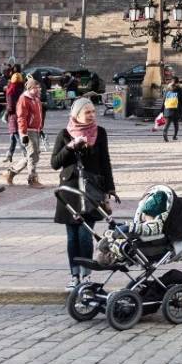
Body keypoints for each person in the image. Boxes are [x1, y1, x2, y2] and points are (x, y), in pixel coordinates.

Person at [52, 97, 118, 287]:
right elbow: (55, 163)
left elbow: (105, 162)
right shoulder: (64, 134)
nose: (91, 115)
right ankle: (74, 276)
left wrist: (110, 189)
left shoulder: (100, 133)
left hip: (91, 193)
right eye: (87, 112)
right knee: (72, 237)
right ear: (76, 114)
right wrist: (70, 147)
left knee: (85, 235)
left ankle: (86, 275)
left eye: (93, 112)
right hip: (70, 193)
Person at [8, 77, 46, 188]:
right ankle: (32, 179)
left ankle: (11, 172)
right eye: (35, 87)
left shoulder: (36, 99)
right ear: (29, 88)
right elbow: (21, 117)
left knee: (33, 154)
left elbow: (38, 115)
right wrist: (23, 133)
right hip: (28, 130)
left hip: (35, 129)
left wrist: (40, 128)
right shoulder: (24, 99)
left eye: (38, 87)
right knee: (33, 155)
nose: (38, 89)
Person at [3, 72, 25, 166]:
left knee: (16, 135)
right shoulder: (23, 89)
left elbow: (11, 106)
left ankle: (26, 154)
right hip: (21, 114)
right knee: (13, 136)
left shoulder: (11, 90)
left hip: (13, 115)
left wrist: (6, 114)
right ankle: (9, 154)